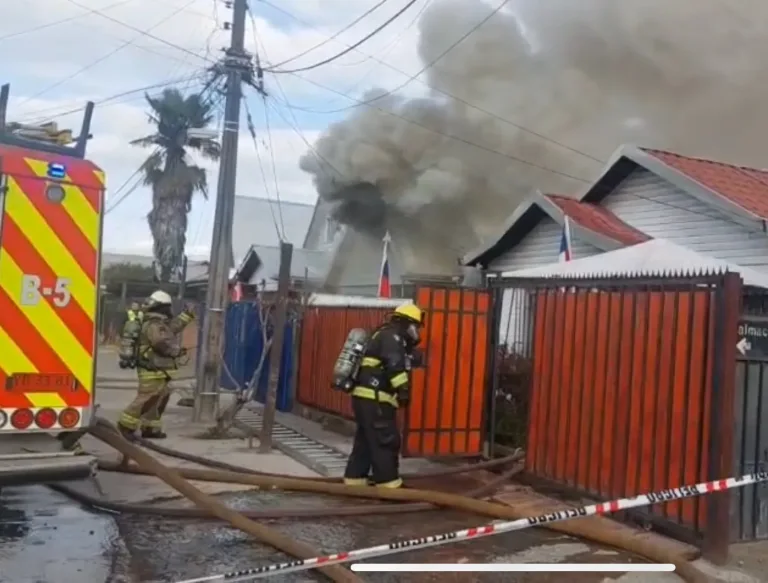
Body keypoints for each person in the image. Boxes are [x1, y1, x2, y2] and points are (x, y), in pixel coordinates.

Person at [343, 303, 425, 489]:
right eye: (416, 326)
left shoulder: (381, 333)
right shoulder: (392, 337)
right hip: (376, 399)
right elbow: (394, 364)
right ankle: (389, 485)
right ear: (408, 323)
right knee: (385, 440)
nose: (417, 331)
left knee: (365, 441)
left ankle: (355, 481)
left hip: (364, 399)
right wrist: (403, 389)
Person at [116, 290, 195, 439]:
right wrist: (176, 351)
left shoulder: (160, 323)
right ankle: (124, 426)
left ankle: (150, 429)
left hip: (158, 369)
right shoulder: (154, 324)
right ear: (163, 307)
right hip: (151, 368)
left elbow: (173, 328)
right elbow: (161, 343)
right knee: (146, 398)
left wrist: (187, 315)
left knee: (159, 399)